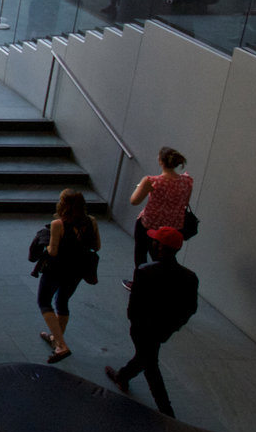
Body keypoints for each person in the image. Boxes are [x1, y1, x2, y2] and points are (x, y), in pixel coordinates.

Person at [105, 226, 199, 418]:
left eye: (155, 241)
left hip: (142, 329)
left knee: (150, 364)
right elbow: (190, 309)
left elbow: (133, 309)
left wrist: (138, 324)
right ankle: (123, 376)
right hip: (162, 330)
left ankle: (166, 411)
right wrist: (171, 327)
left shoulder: (145, 271)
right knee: (147, 359)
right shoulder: (190, 277)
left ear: (160, 247)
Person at [36, 188, 101, 364]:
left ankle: (62, 345)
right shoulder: (91, 222)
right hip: (77, 270)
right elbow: (97, 245)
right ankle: (56, 339)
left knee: (44, 302)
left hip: (57, 269)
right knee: (62, 301)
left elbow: (53, 251)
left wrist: (46, 245)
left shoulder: (59, 224)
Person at [127, 147, 193, 281]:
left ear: (160, 161)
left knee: (141, 253)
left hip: (149, 224)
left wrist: (141, 186)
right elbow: (185, 201)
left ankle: (140, 282)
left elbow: (134, 200)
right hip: (173, 226)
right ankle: (162, 283)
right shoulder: (187, 181)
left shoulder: (152, 181)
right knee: (163, 256)